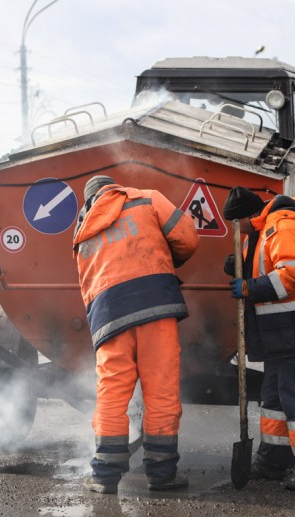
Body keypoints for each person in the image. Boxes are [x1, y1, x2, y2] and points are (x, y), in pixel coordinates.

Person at [73, 175, 200, 494]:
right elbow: (187, 238)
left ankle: (104, 477)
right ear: (113, 188)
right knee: (162, 392)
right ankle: (161, 475)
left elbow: (87, 289)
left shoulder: (82, 233)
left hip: (109, 318)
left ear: (90, 201)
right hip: (156, 307)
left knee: (111, 395)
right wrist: (167, 264)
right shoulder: (147, 198)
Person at [222, 186, 295, 490]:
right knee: (273, 399)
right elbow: (257, 264)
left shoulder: (285, 227)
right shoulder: (258, 234)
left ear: (248, 217)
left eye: (235, 223)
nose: (233, 230)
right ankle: (273, 462)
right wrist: (237, 264)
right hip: (283, 334)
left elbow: (293, 275)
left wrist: (249, 287)